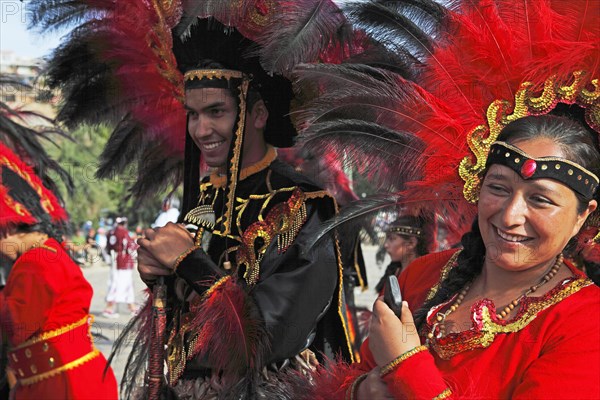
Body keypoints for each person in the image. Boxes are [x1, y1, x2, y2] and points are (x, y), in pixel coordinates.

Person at [29, 1, 358, 397]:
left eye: (216, 111)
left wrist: (188, 262)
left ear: (257, 113)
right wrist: (161, 279)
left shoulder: (302, 207)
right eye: (193, 113)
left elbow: (265, 341)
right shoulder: (206, 198)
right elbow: (188, 325)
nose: (201, 129)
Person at [297, 0, 600, 398]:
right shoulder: (421, 276)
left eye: (540, 200)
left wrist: (404, 368)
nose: (510, 215)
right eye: (499, 188)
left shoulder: (586, 323)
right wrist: (359, 391)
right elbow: (358, 378)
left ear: (583, 216)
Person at [0, 143, 118, 398]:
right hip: (66, 380)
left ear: (8, 229)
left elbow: (15, 324)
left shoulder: (35, 262)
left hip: (62, 386)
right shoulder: (49, 251)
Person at [375, 215, 434, 293]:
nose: (386, 245)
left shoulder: (425, 276)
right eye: (387, 239)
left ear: (411, 243)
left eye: (392, 239)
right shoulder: (395, 271)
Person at [102, 217, 137, 318]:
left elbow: (107, 248)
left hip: (114, 259)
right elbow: (130, 246)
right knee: (121, 283)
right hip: (123, 261)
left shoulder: (110, 232)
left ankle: (132, 306)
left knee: (118, 282)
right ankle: (109, 308)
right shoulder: (123, 232)